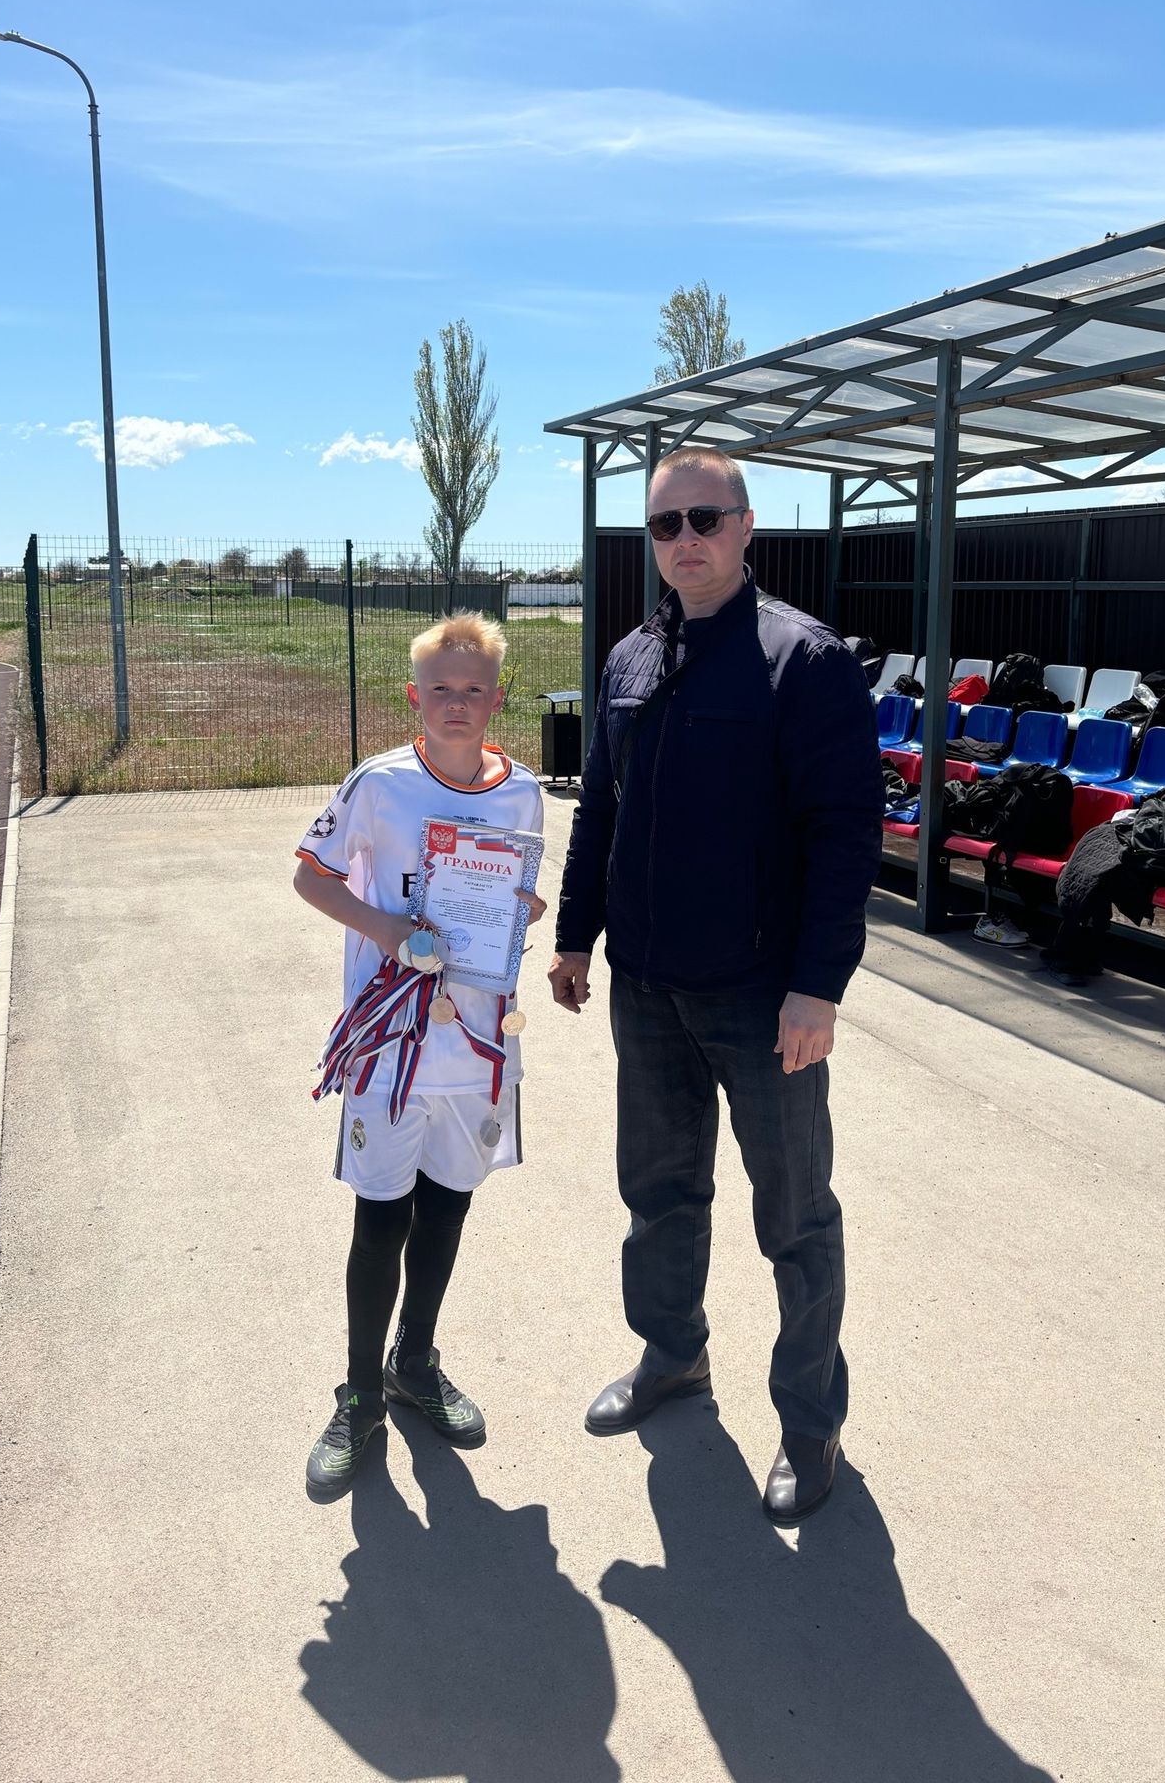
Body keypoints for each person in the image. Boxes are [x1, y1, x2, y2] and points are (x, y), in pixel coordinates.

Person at [550, 446, 884, 1525]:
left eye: (705, 518)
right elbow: (601, 809)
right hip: (647, 987)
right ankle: (672, 1355)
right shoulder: (630, 659)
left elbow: (845, 835)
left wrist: (818, 986)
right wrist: (575, 935)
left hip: (761, 996)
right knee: (658, 1194)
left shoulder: (805, 660)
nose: (685, 539)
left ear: (746, 527)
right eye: (665, 524)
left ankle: (810, 1420)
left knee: (795, 1215)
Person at [293, 612, 546, 1502]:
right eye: (441, 688)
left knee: (446, 1210)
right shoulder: (381, 784)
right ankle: (360, 1395)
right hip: (390, 1044)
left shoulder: (524, 794)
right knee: (380, 1220)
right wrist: (391, 932)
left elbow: (515, 893)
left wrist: (518, 911)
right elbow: (310, 876)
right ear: (414, 695)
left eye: (474, 689)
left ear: (497, 699)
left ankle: (416, 1361)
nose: (457, 702)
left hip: (474, 1046)